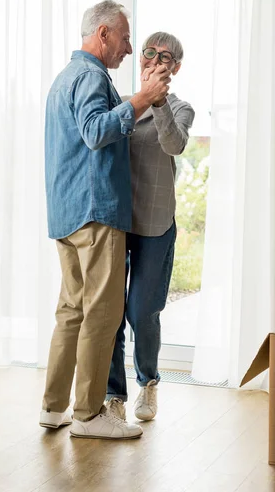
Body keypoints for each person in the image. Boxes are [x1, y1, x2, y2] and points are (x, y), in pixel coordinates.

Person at [40, 2, 171, 440]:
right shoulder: (93, 77)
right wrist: (141, 100)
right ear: (103, 34)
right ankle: (90, 413)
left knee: (72, 311)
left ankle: (53, 408)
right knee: (102, 313)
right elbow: (96, 132)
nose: (130, 49)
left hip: (66, 212)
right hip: (96, 213)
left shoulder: (65, 78)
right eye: (125, 38)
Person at [105, 32, 195, 425]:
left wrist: (158, 102)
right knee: (108, 313)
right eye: (149, 52)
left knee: (142, 310)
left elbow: (174, 145)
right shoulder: (121, 103)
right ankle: (113, 394)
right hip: (115, 222)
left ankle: (149, 381)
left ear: (175, 67)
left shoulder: (180, 107)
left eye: (166, 56)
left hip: (156, 223)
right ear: (139, 58)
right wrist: (141, 99)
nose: (156, 59)